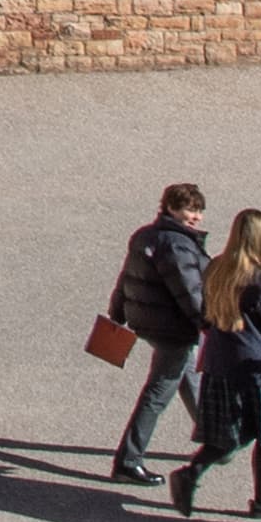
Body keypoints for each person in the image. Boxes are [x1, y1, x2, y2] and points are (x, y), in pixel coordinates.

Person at [171, 208, 261, 517]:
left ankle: (192, 472)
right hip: (258, 366)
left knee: (229, 432)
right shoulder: (260, 280)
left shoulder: (217, 267)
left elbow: (205, 314)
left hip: (220, 362)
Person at [96, 180, 211, 483]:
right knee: (159, 392)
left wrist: (117, 310)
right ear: (171, 207)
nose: (196, 216)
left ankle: (215, 436)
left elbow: (127, 277)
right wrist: (209, 324)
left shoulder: (145, 236)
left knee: (189, 376)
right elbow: (189, 292)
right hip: (174, 328)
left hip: (151, 323)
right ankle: (128, 460)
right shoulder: (177, 244)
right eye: (190, 209)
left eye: (199, 210)